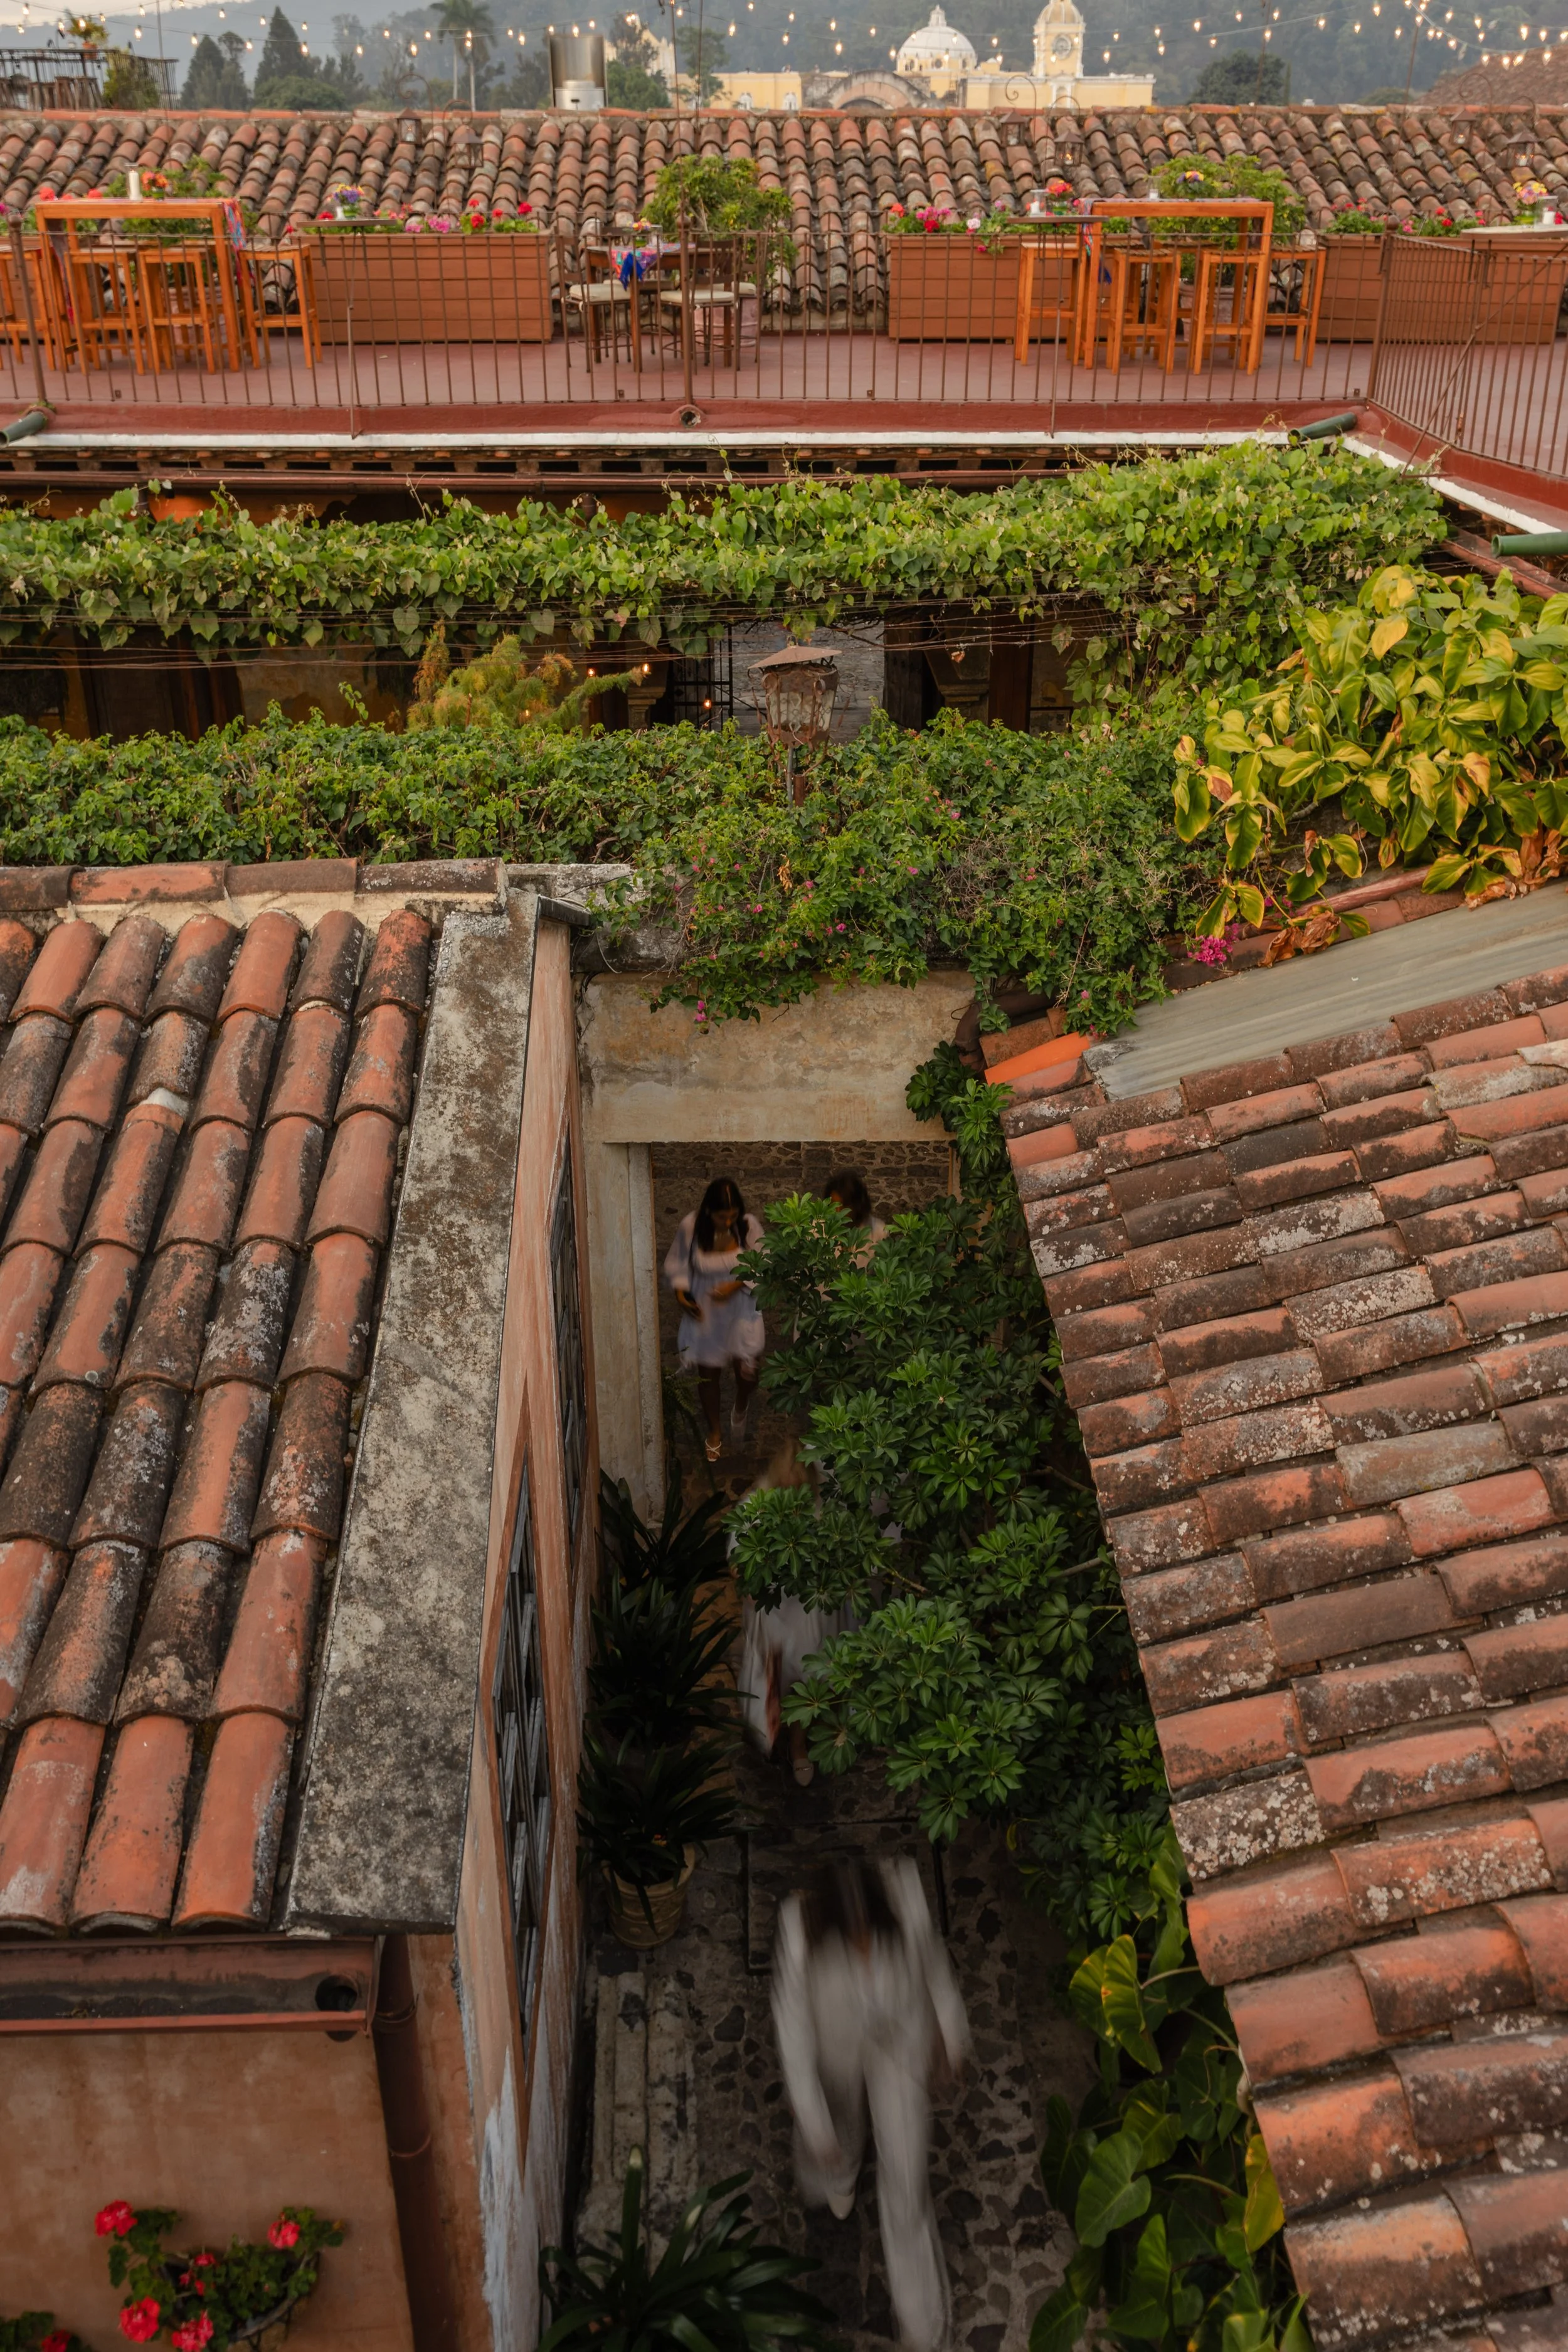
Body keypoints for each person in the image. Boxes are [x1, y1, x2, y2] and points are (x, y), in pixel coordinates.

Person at [772, 1857, 970, 2352]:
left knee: (905, 2185)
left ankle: (922, 2324)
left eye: (869, 1935)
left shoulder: (903, 1895)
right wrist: (815, 2124)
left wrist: (949, 2037)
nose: (862, 1945)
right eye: (852, 1937)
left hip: (898, 2050)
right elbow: (793, 2030)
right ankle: (840, 2174)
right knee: (839, 2130)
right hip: (835, 2049)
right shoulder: (799, 1930)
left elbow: (933, 1964)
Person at [664, 1177, 765, 1463]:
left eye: (733, 1215)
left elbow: (763, 1263)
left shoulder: (748, 1226)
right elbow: (677, 1264)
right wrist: (683, 1298)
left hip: (741, 1308)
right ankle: (715, 1430)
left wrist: (734, 1285)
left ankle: (741, 1405)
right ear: (709, 1211)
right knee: (708, 1375)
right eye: (723, 1216)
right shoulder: (692, 1227)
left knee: (749, 1373)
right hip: (708, 1313)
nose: (728, 1221)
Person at [823, 1167, 887, 1260]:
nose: (837, 1212)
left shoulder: (879, 1232)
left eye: (843, 1207)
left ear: (857, 1205)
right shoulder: (816, 1231)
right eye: (833, 1206)